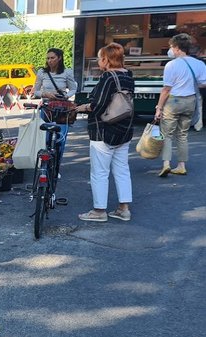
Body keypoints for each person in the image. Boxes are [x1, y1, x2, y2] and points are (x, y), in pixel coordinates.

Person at [75, 42, 135, 222]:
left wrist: (81, 108)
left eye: (100, 58)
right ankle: (124, 209)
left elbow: (98, 106)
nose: (98, 62)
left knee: (100, 172)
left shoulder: (108, 77)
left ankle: (99, 211)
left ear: (106, 59)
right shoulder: (128, 76)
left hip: (103, 131)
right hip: (124, 129)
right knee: (122, 170)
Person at [155, 33, 206, 177]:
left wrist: (159, 107)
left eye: (171, 47)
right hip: (190, 101)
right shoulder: (199, 63)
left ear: (177, 48)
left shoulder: (171, 65)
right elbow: (203, 83)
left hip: (174, 101)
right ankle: (181, 166)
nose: (170, 50)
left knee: (167, 134)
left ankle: (166, 164)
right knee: (183, 135)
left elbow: (166, 89)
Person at [32, 48, 78, 166]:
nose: (50, 60)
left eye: (52, 58)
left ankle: (56, 166)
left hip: (62, 108)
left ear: (59, 58)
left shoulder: (67, 72)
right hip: (47, 108)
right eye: (48, 58)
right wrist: (45, 94)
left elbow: (73, 88)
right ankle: (45, 165)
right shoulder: (42, 72)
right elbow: (35, 91)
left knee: (60, 140)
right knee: (45, 139)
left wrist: (65, 96)